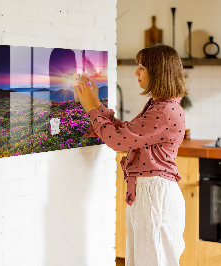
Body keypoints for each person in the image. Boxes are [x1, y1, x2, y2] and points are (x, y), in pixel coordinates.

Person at [75, 44, 187, 266]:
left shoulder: (164, 111)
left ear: (158, 72)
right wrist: (96, 104)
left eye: (142, 67)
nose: (136, 72)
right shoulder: (160, 106)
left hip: (155, 195)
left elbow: (118, 141)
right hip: (150, 193)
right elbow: (126, 133)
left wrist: (90, 108)